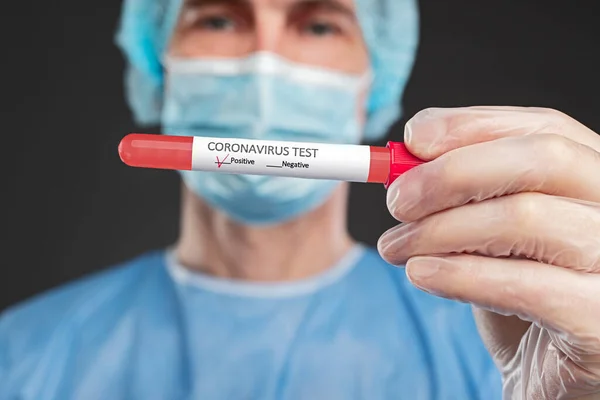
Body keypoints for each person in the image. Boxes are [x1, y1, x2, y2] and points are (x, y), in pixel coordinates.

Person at [1, 0, 599, 398]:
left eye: (317, 24)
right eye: (218, 19)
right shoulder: (22, 357)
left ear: (374, 81)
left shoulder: (511, 344)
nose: (266, 64)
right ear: (160, 62)